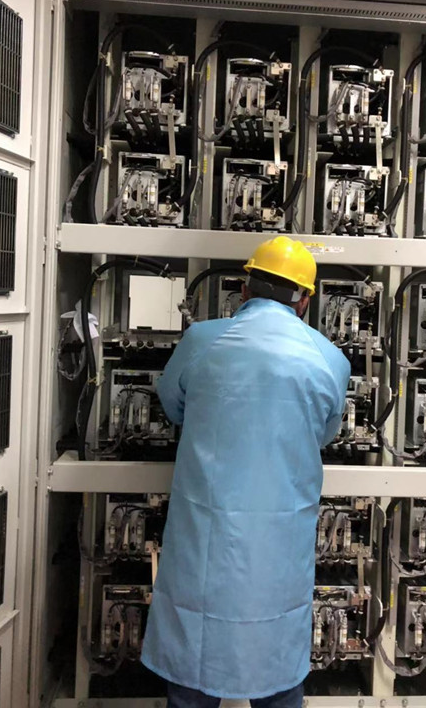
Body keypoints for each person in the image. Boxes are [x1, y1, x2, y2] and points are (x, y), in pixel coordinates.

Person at [141, 236, 351, 708]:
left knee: (192, 673)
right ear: (305, 299)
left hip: (205, 540)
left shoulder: (202, 340)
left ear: (243, 287)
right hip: (279, 547)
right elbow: (324, 432)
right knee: (276, 672)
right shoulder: (329, 359)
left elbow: (173, 406)